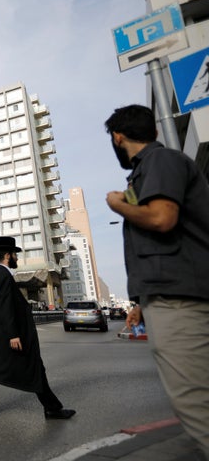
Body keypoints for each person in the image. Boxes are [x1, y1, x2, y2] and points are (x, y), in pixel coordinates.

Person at [105, 104, 209, 456]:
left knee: (194, 399)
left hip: (180, 299)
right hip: (174, 292)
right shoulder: (152, 167)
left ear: (118, 137)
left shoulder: (160, 163)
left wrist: (119, 205)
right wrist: (140, 304)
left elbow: (162, 219)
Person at [0, 236, 75, 420]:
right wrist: (13, 335)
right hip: (7, 337)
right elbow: (6, 306)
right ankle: (52, 408)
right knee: (34, 369)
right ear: (8, 255)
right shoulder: (3, 276)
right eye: (15, 255)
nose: (17, 258)